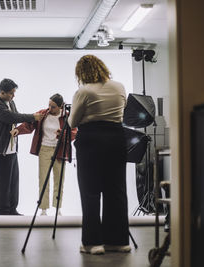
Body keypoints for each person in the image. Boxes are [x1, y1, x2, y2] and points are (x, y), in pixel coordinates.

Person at [68, 55, 130, 255]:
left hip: (91, 140)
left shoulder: (84, 91)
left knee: (91, 191)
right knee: (116, 190)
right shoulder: (119, 87)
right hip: (117, 138)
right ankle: (118, 241)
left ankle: (92, 243)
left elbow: (73, 122)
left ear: (81, 73)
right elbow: (122, 111)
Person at [12, 94, 76, 216]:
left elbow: (73, 132)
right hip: (44, 149)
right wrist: (18, 130)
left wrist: (62, 134)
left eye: (53, 107)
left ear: (60, 106)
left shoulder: (67, 116)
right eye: (49, 105)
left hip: (60, 150)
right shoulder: (43, 114)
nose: (50, 108)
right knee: (43, 179)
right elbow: (29, 124)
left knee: (59, 180)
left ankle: (57, 209)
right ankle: (43, 209)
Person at [0, 78, 44, 215]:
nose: (13, 96)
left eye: (14, 93)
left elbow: (15, 117)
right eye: (11, 93)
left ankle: (12, 209)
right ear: (2, 92)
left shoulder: (11, 102)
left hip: (12, 149)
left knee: (13, 182)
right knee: (2, 184)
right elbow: (13, 117)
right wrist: (33, 117)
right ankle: (2, 211)